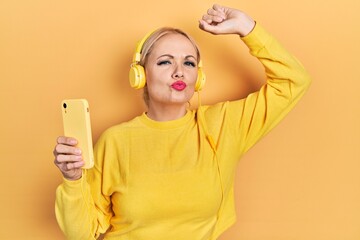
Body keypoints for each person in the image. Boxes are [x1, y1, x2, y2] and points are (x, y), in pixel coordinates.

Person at [53, 3, 311, 240]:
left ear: (198, 78)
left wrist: (247, 27)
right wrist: (73, 179)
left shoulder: (223, 125)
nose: (179, 71)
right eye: (165, 61)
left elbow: (293, 81)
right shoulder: (115, 141)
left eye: (189, 63)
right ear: (140, 75)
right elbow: (81, 233)